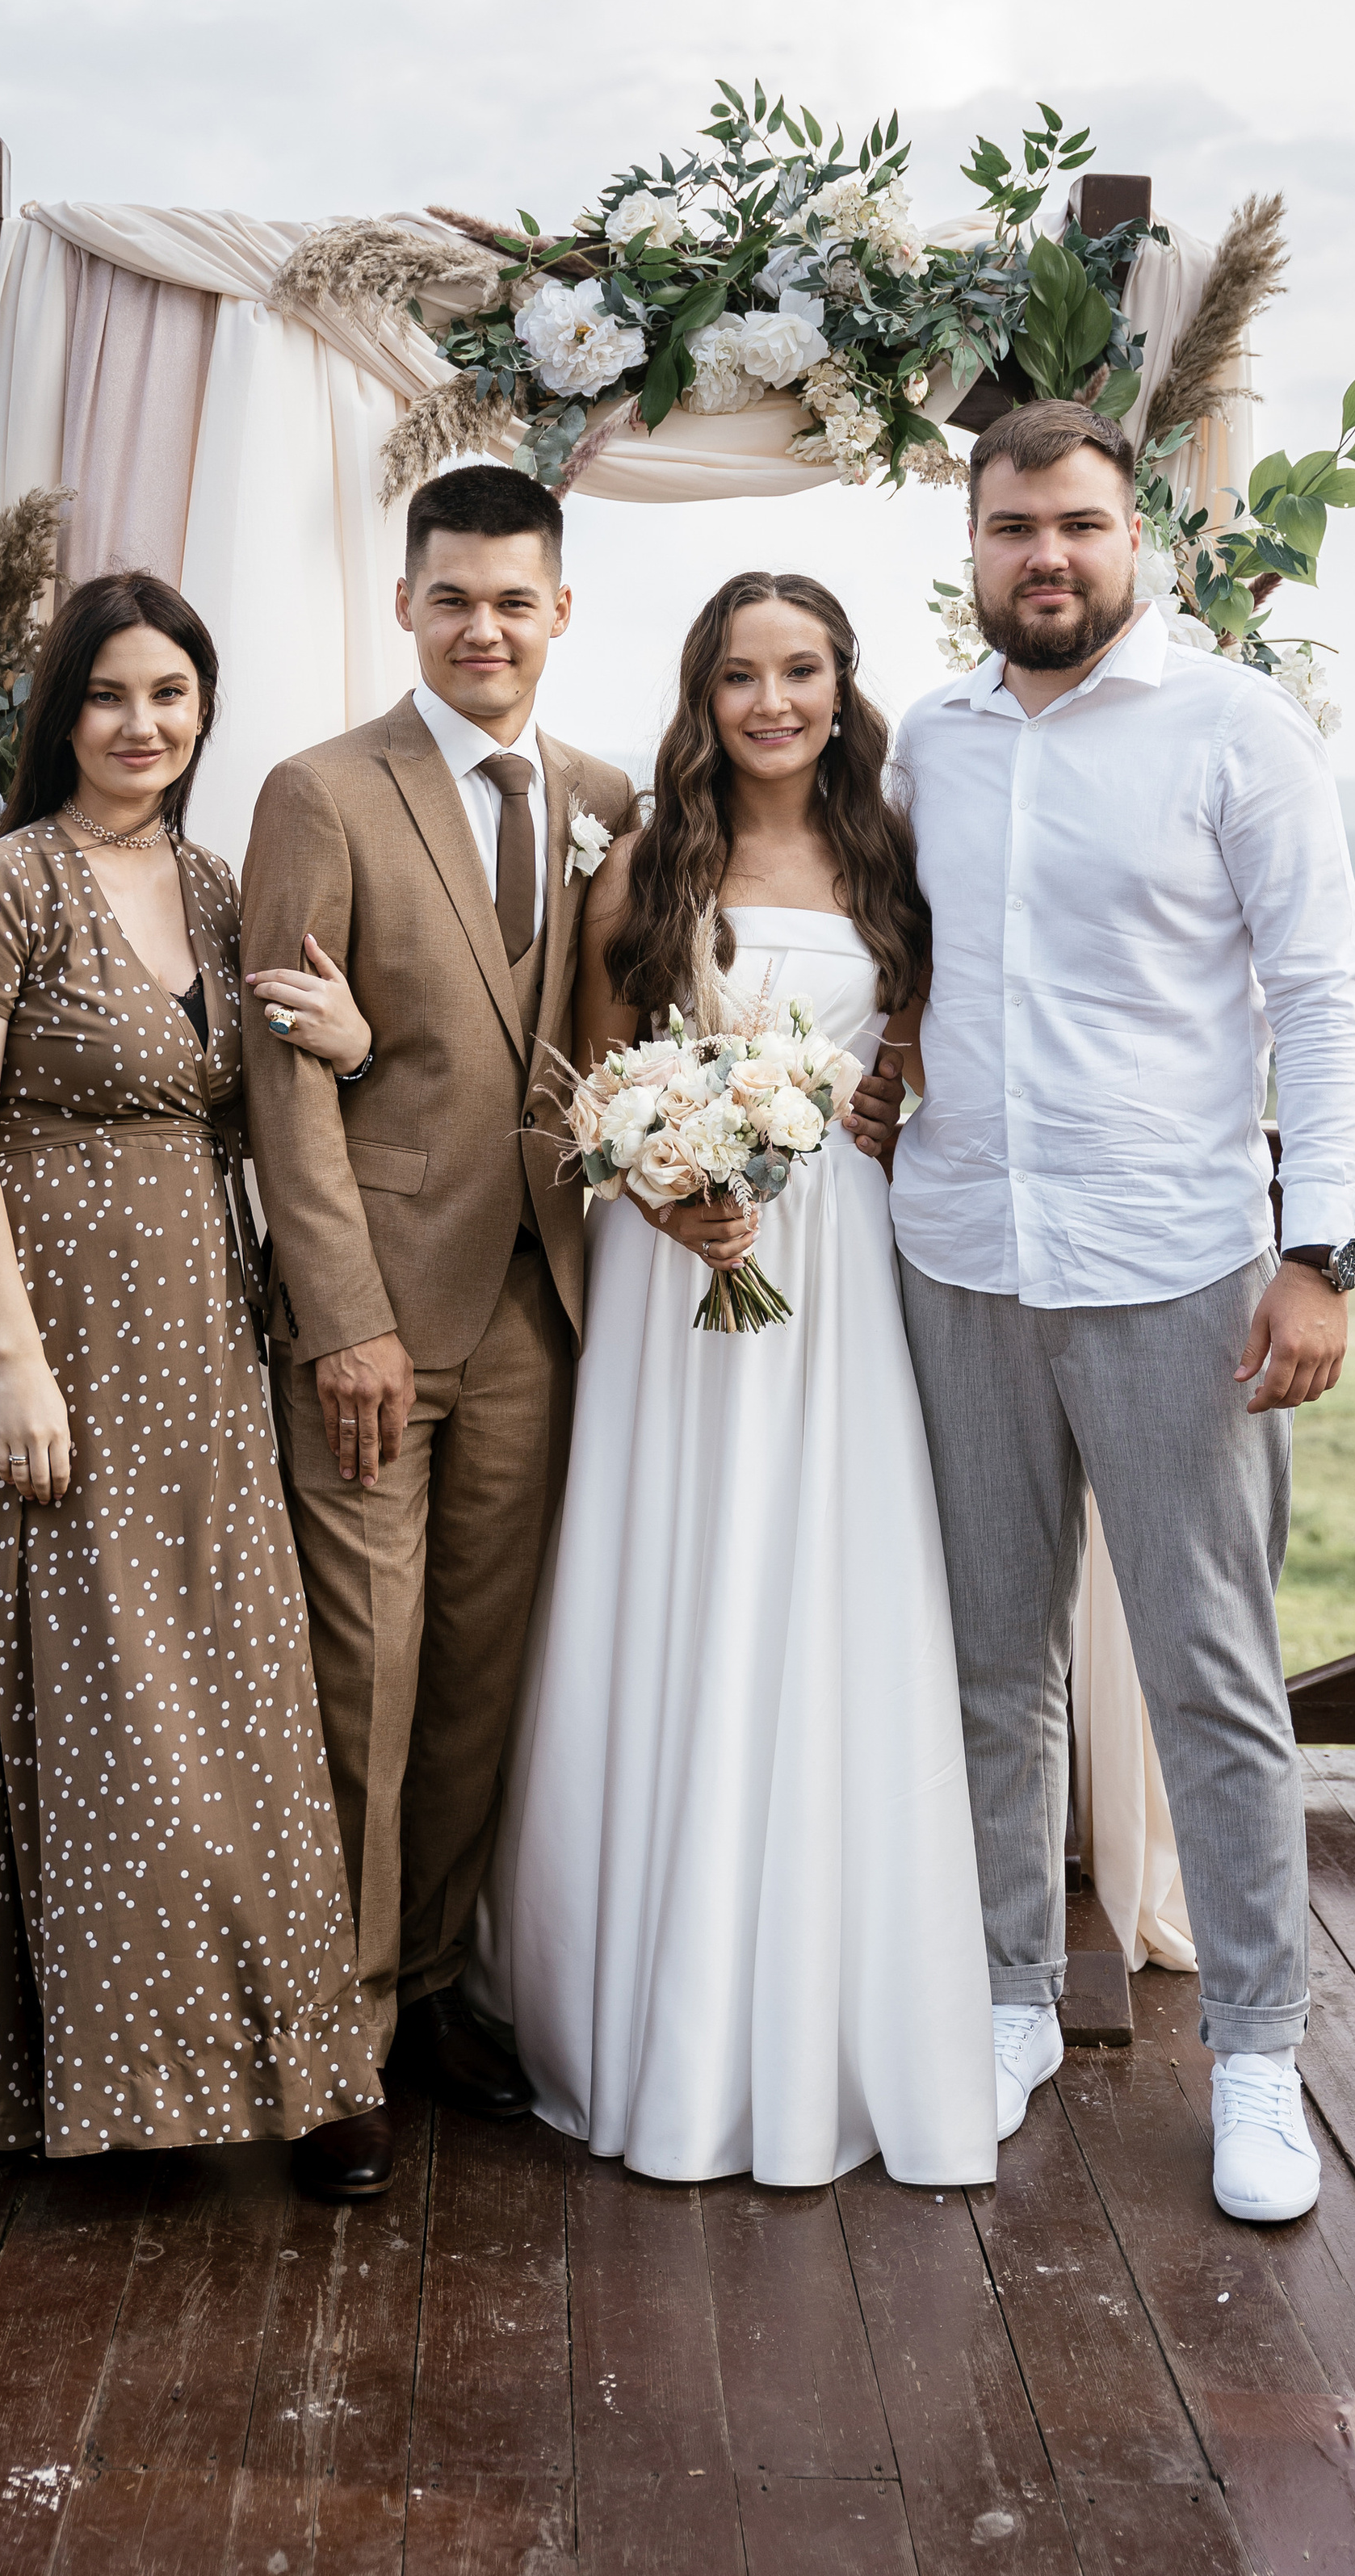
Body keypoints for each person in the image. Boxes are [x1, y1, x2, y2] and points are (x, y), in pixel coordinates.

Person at [852, 398, 1355, 2226]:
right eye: (1010, 531)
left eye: (1074, 526)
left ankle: (1255, 2055)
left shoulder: (1235, 729)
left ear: (1131, 533)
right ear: (970, 547)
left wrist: (1318, 1251)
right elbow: (883, 976)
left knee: (1208, 1675)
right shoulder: (928, 737)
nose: (1044, 559)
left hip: (1178, 1271)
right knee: (990, 1665)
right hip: (958, 1258)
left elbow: (1316, 999)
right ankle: (1002, 2003)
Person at [0, 571, 380, 2159]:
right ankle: (82, 2076)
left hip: (197, 1332)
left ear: (203, 715)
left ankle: (267, 2071)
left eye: (172, 697)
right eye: (113, 695)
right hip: (52, 1327)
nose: (143, 725)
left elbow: (270, 1082)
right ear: (64, 709)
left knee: (230, 1701)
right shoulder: (8, 886)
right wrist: (14, 1364)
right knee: (90, 1700)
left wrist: (346, 1044)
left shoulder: (216, 886)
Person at [470, 573, 996, 2188]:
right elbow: (576, 1085)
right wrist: (663, 1184)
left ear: (842, 684)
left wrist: (884, 1096)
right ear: (700, 693)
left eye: (801, 671)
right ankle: (639, 2007)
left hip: (839, 1265)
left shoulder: (891, 853)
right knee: (677, 1591)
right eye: (740, 676)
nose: (772, 702)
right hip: (677, 1258)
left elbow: (908, 1043)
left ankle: (829, 2004)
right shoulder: (649, 858)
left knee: (828, 1597)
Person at [241, 463, 638, 2201]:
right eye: (453, 597)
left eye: (515, 600)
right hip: (379, 1329)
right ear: (405, 605)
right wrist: (341, 1321)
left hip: (546, 1317)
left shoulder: (606, 798)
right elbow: (281, 1075)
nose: (485, 628)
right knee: (362, 1684)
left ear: (561, 614)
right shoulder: (316, 791)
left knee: (480, 1687)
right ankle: (325, 2047)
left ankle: (421, 1999)